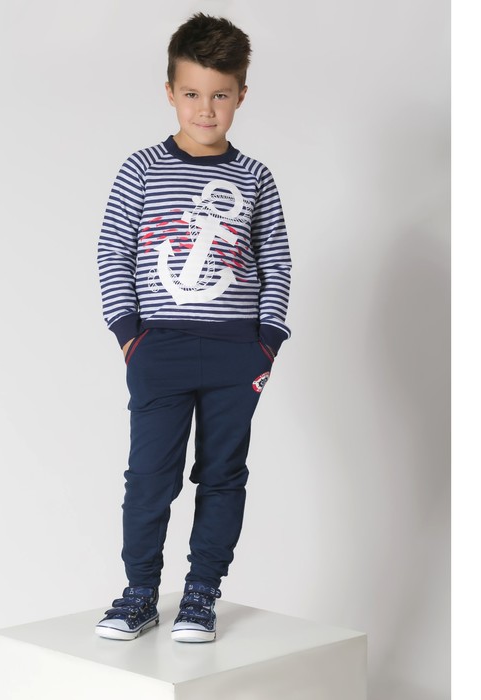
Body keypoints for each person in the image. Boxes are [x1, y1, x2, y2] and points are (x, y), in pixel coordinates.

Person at [94, 12, 292, 643]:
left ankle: (202, 593)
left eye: (220, 95)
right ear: (170, 92)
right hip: (161, 348)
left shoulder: (254, 178)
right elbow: (113, 250)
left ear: (240, 95)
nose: (206, 109)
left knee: (223, 474)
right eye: (192, 93)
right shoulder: (141, 169)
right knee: (150, 476)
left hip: (238, 354)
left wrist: (267, 341)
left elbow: (276, 260)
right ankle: (140, 593)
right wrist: (129, 333)